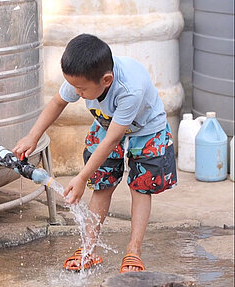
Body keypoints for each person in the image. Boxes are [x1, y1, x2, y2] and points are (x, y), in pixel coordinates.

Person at [12, 34, 177, 273]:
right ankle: (89, 249)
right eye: (74, 87)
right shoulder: (84, 75)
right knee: (101, 183)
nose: (76, 93)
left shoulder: (128, 89)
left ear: (106, 80)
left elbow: (112, 141)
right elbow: (57, 103)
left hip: (146, 129)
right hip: (107, 124)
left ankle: (134, 250)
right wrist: (32, 136)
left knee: (141, 186)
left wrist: (80, 177)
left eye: (81, 89)